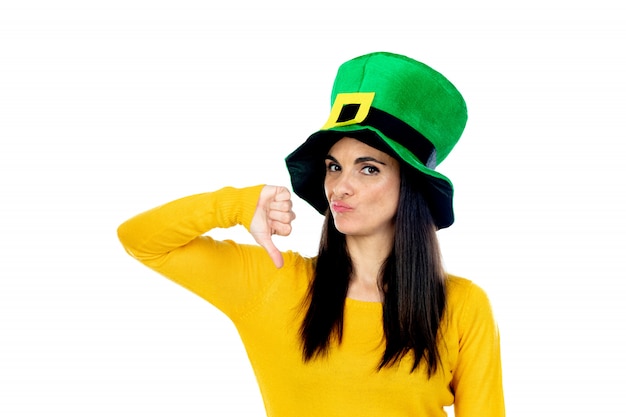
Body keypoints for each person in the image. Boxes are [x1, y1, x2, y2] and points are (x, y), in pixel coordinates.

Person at [118, 51, 505, 417]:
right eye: (334, 167)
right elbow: (140, 239)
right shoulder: (272, 281)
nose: (340, 187)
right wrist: (235, 205)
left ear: (410, 186)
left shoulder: (463, 306)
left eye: (368, 168)